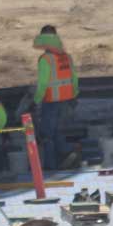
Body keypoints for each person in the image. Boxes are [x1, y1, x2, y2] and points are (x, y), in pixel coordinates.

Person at [32, 25, 80, 169]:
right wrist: (74, 97)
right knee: (58, 132)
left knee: (47, 135)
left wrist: (36, 101)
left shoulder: (45, 59)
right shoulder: (66, 57)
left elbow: (42, 84)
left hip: (51, 102)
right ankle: (69, 153)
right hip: (67, 101)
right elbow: (74, 78)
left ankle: (50, 168)